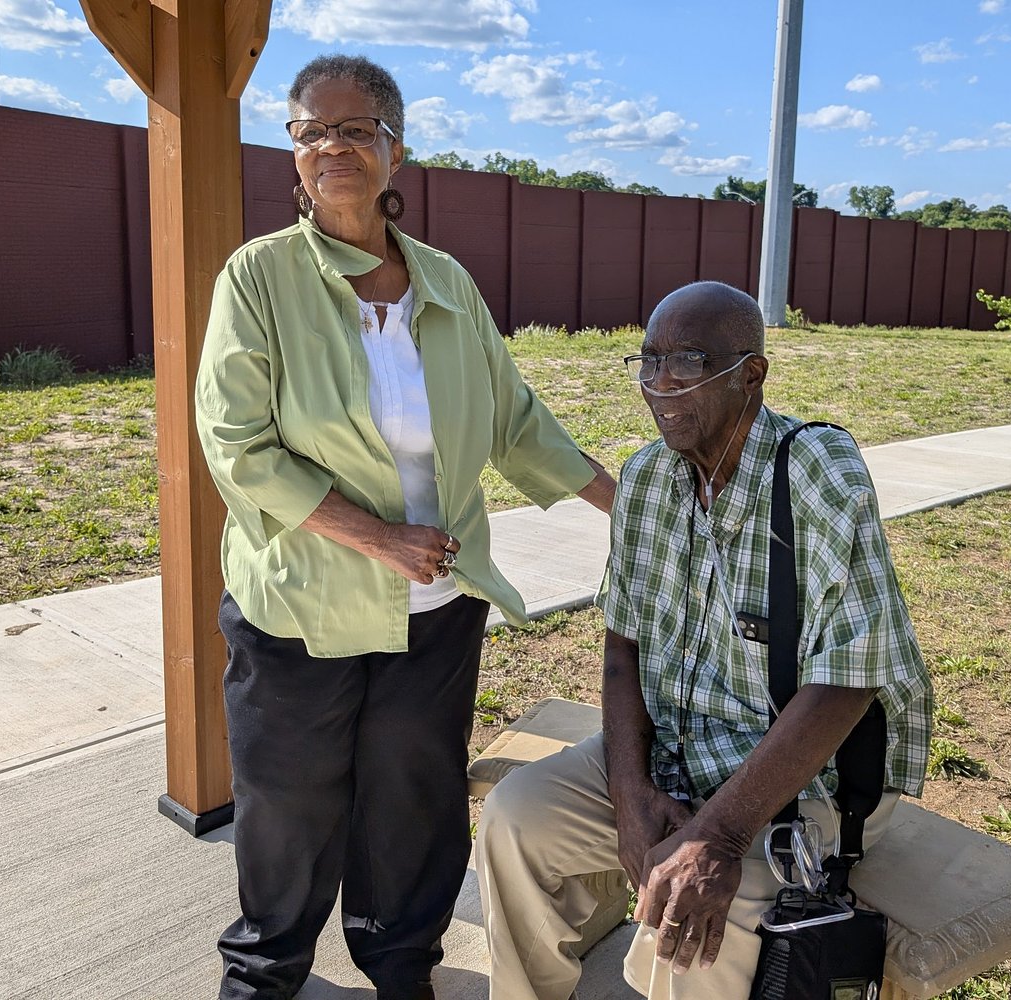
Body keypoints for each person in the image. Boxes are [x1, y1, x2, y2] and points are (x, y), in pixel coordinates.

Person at [194, 54, 616, 1000]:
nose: (331, 146)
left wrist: (623, 506)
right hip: (303, 606)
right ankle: (265, 976)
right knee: (290, 809)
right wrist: (376, 538)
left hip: (436, 610)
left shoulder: (447, 284)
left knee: (414, 808)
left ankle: (402, 971)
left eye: (354, 129)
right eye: (311, 131)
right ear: (293, 154)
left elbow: (514, 420)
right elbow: (237, 444)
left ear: (395, 150)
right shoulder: (258, 278)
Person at [476, 281, 934, 1000]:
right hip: (679, 752)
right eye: (648, 362)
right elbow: (621, 645)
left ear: (750, 373)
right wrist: (629, 797)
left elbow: (847, 681)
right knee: (515, 818)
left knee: (685, 929)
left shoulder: (814, 471)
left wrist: (715, 837)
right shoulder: (647, 479)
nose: (659, 385)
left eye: (686, 363)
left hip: (804, 777)